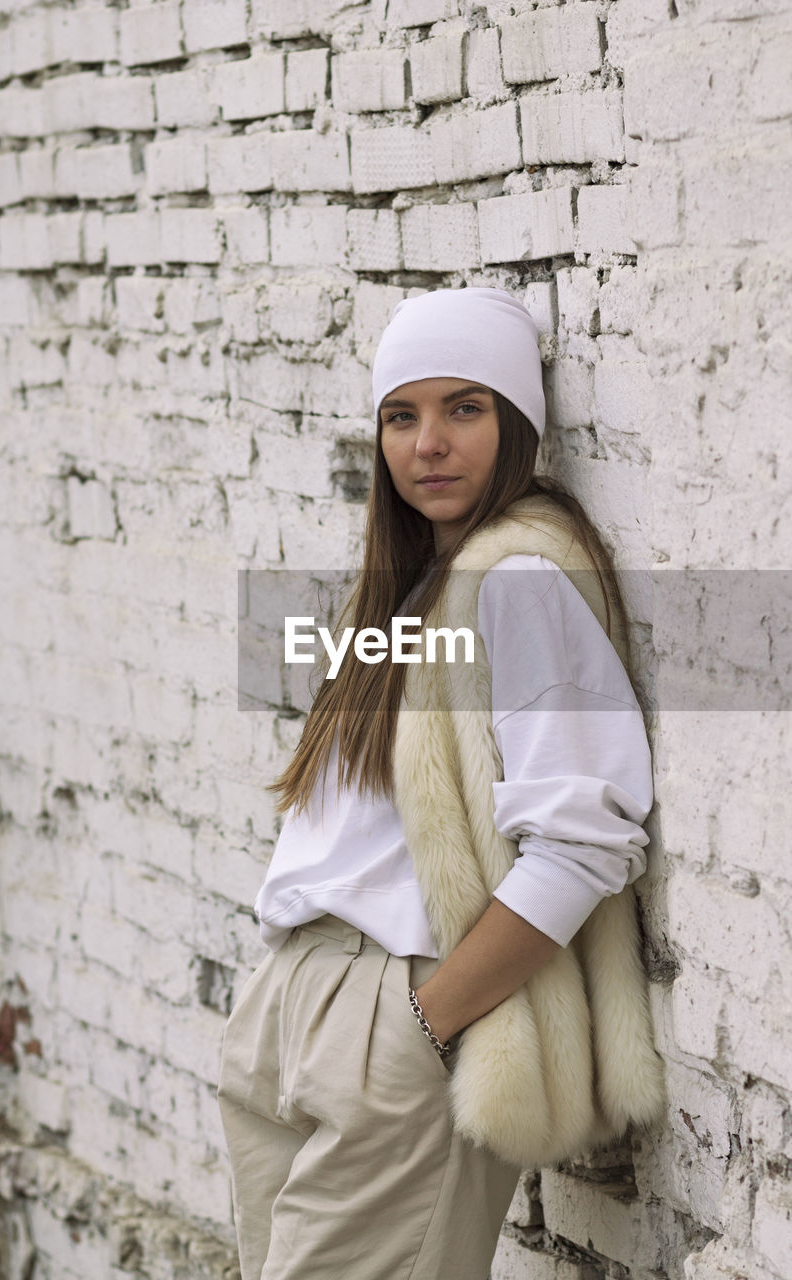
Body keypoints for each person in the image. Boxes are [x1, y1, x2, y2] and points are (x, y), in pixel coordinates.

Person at [217, 287, 665, 1280]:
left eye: (465, 407)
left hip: (393, 1015)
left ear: (516, 427)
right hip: (291, 1006)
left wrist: (425, 1024)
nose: (428, 443)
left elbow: (584, 835)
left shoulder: (520, 582)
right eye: (401, 414)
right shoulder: (410, 587)